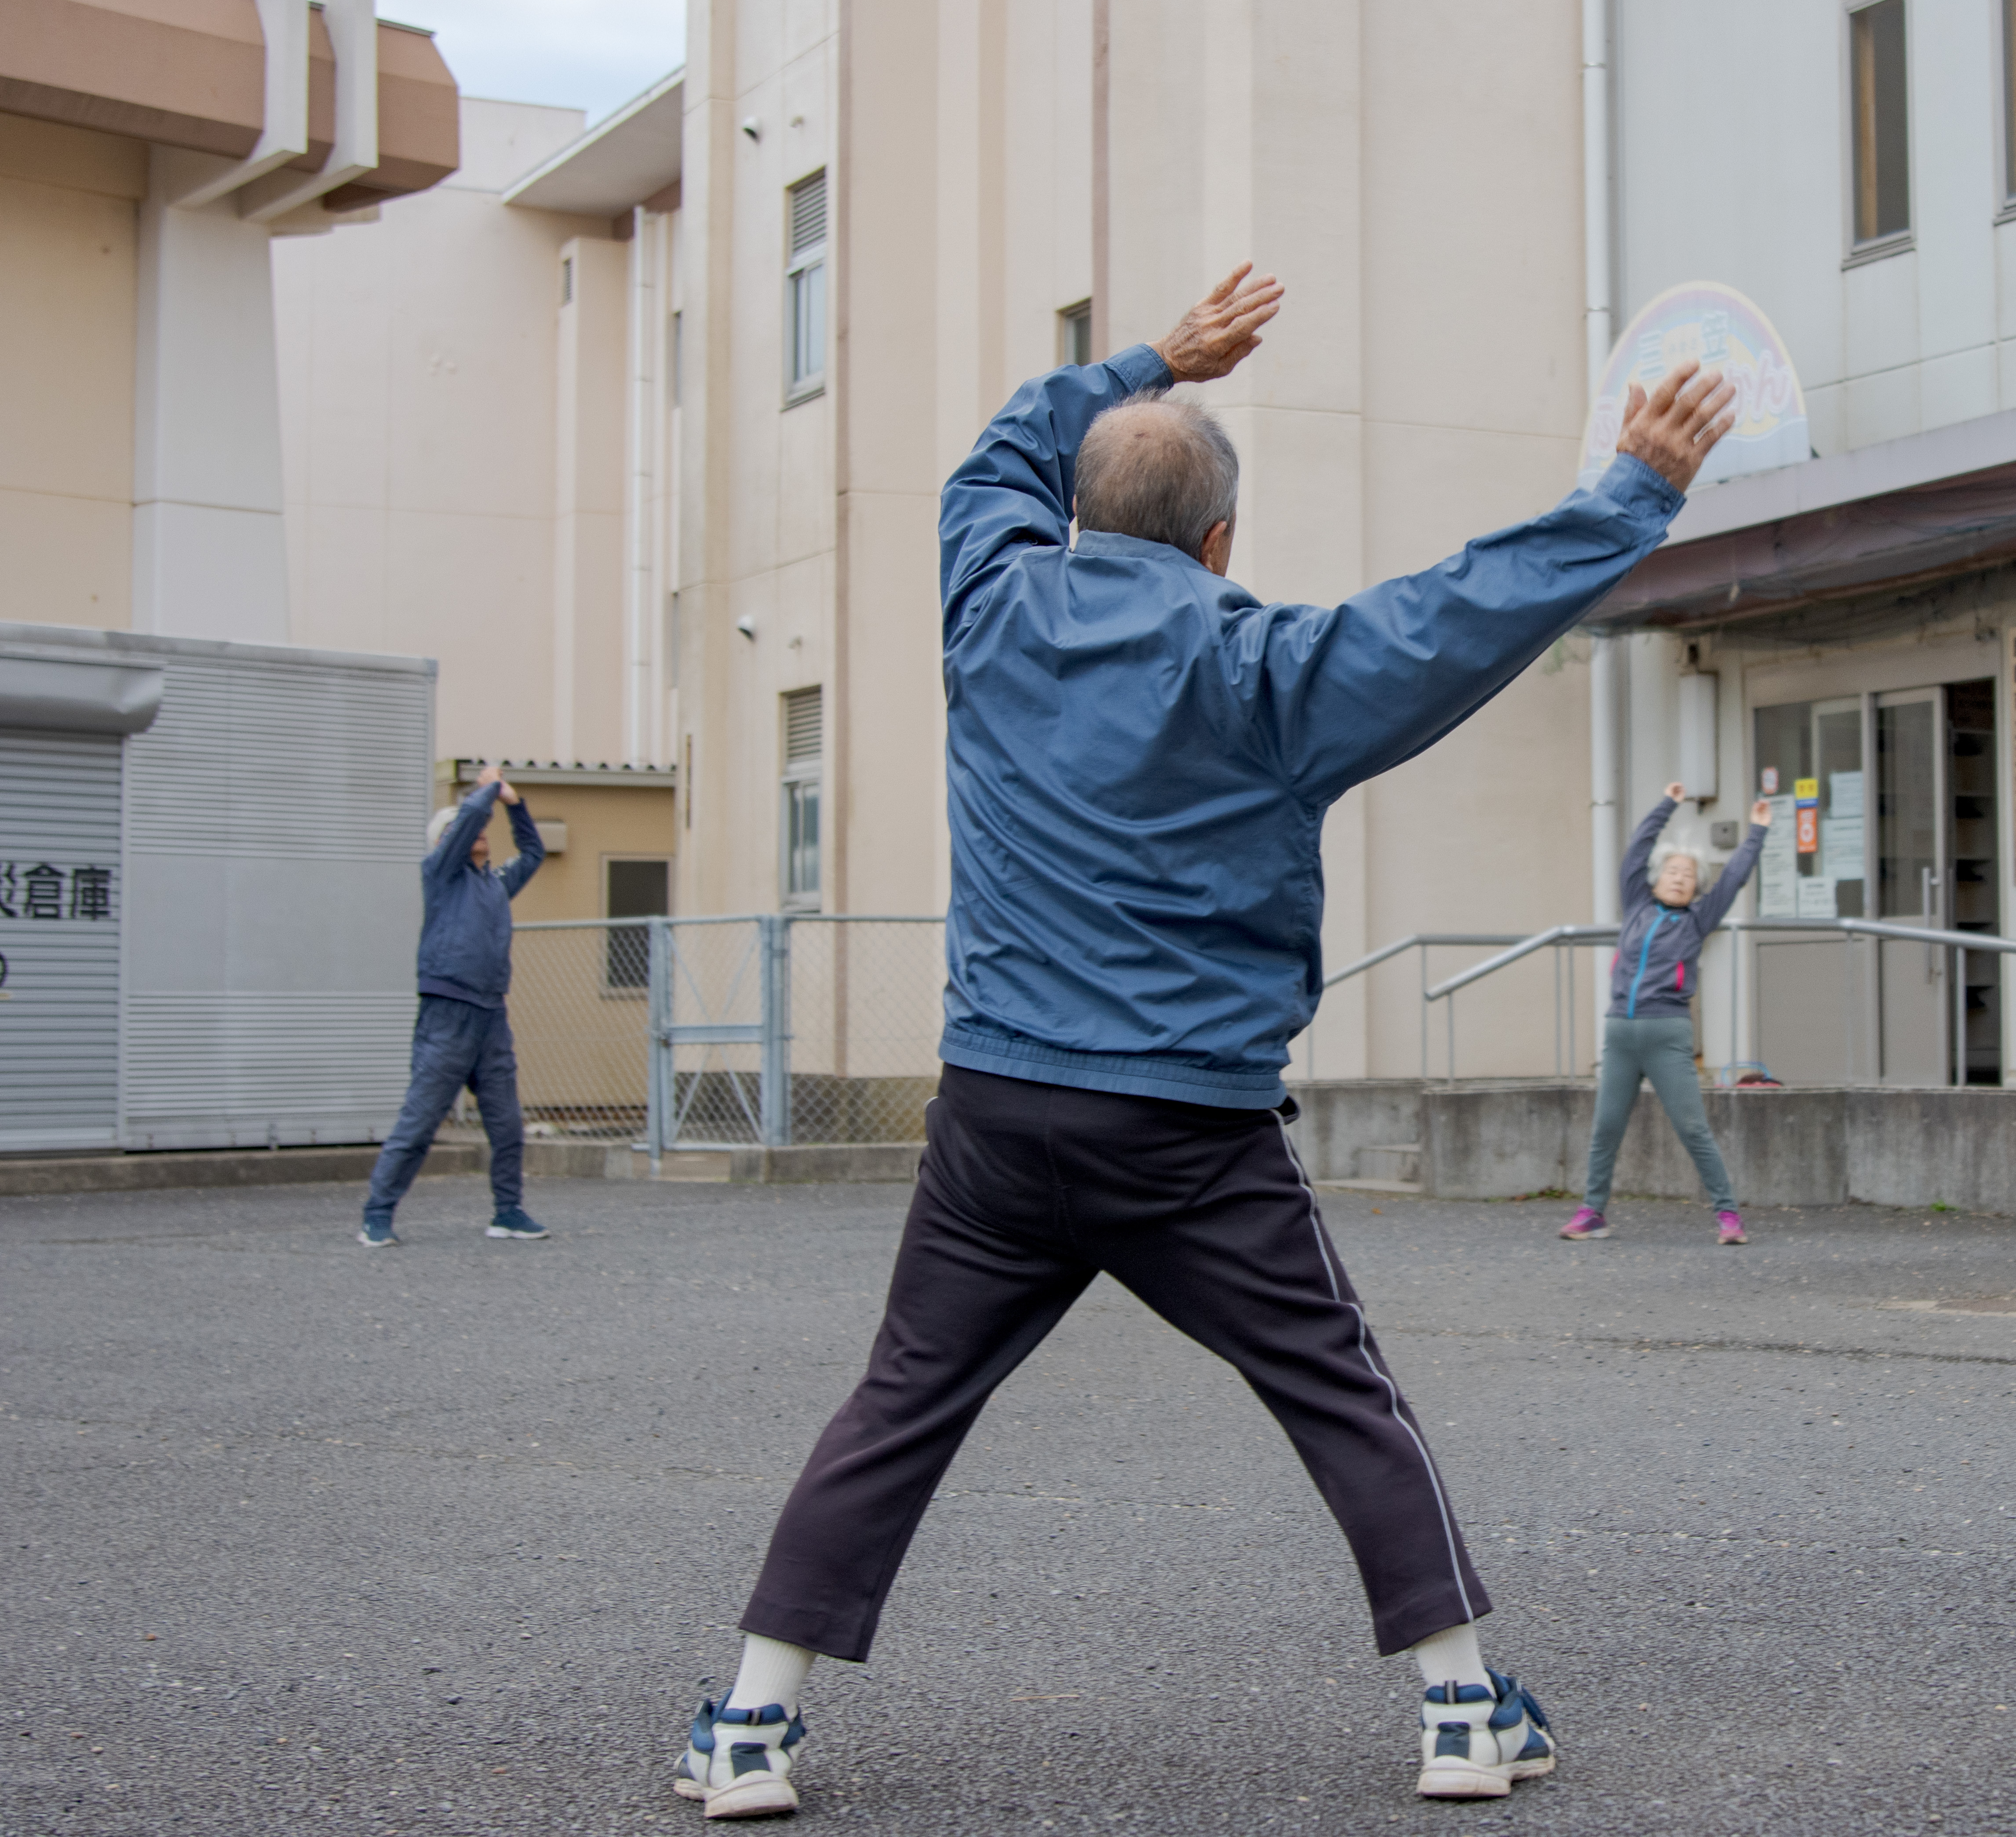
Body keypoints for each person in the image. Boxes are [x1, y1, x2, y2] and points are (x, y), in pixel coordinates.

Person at [665, 264, 1737, 1819]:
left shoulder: (991, 600)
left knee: (901, 1399)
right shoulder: (1265, 672)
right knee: (1335, 1390)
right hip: (1184, 1126)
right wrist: (1631, 491)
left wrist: (1159, 354)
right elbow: (1453, 619)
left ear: (1073, 519)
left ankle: (749, 1727)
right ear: (1222, 544)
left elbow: (996, 454)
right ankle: (1460, 1713)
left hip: (995, 1109)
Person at [1557, 784, 1768, 1244]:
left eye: (1688, 875)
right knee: (1606, 1127)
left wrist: (1757, 831)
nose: (1678, 878)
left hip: (1667, 1032)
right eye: (1672, 871)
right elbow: (1636, 850)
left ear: (1696, 888)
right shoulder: (1636, 903)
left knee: (1693, 1127)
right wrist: (1666, 805)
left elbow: (1734, 875)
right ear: (1655, 878)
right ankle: (1593, 1211)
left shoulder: (1697, 919)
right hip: (1620, 1031)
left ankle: (1729, 1217)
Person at [360, 764, 547, 1246]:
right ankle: (377, 1215)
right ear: (446, 839)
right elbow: (466, 819)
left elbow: (534, 852)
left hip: (491, 1016)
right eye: (466, 828)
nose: (479, 832)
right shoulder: (440, 873)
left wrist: (515, 803)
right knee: (420, 1121)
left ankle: (508, 1211)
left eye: (483, 828)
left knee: (506, 1124)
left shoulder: (495, 884)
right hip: (447, 1012)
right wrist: (486, 790)